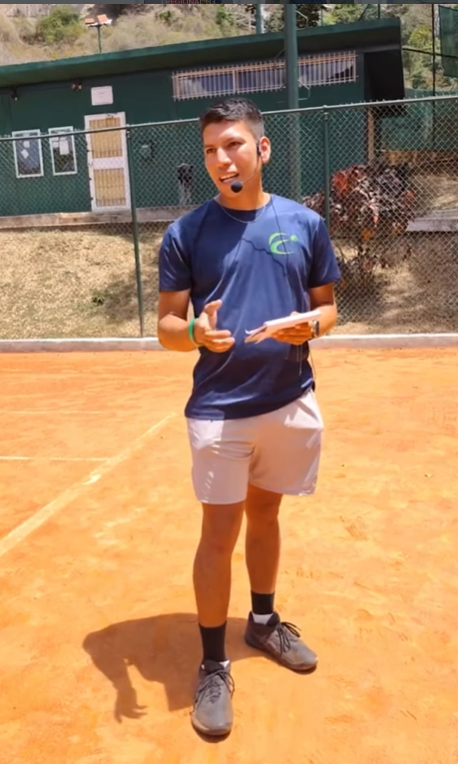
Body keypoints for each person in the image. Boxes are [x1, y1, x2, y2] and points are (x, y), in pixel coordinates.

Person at [157, 97, 340, 737]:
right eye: (210, 149)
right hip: (220, 410)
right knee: (219, 533)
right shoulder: (186, 233)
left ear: (262, 148)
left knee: (267, 515)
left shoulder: (305, 223)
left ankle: (262, 623)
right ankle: (213, 664)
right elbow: (167, 325)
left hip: (288, 399)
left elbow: (327, 308)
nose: (221, 159)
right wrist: (195, 335)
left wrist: (308, 325)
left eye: (232, 144)